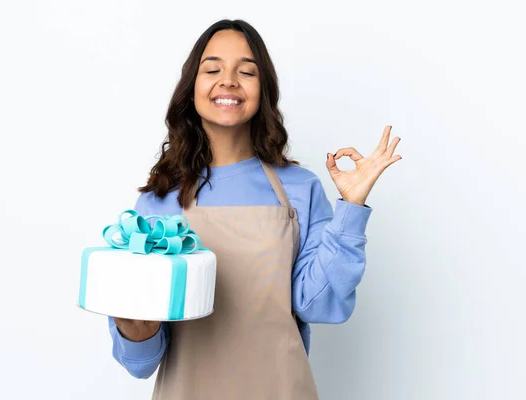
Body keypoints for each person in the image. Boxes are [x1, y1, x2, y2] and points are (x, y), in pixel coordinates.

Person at [107, 19, 402, 399]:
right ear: (191, 89)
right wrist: (135, 327)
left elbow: (320, 305)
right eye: (212, 69)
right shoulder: (159, 200)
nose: (228, 80)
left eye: (246, 71)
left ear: (263, 90)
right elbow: (140, 363)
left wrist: (351, 207)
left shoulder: (299, 187)